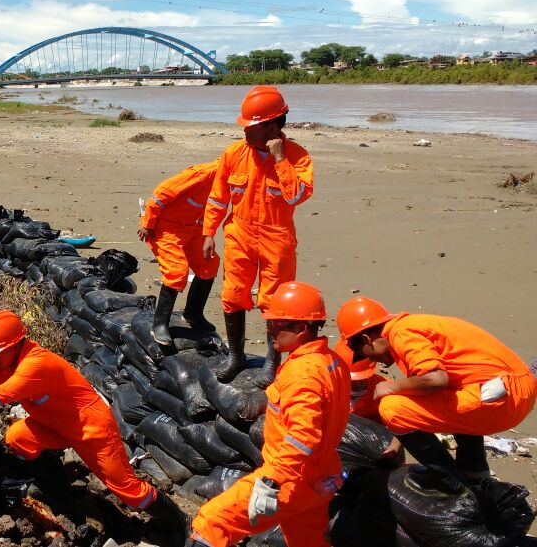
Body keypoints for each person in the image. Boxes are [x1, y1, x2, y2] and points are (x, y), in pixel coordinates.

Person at [0, 309, 188, 542]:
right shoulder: (9, 361)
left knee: (128, 490)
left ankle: (182, 525)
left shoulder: (36, 366)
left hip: (90, 430)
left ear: (14, 345)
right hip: (57, 427)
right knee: (18, 436)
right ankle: (51, 485)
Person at [189, 282, 349, 547]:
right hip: (321, 477)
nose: (269, 329)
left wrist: (270, 481)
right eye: (269, 322)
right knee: (307, 541)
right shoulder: (332, 362)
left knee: (212, 523)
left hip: (291, 481)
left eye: (277, 324)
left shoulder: (304, 375)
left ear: (301, 327)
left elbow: (303, 438)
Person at [336, 296, 537, 491]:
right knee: (450, 394)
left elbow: (436, 380)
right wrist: (394, 451)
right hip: (514, 389)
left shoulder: (401, 334)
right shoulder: (413, 324)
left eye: (361, 353)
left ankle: (449, 480)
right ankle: (474, 471)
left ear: (366, 339)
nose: (373, 361)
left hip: (504, 398)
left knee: (392, 407)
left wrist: (389, 387)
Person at [201, 86, 314, 381]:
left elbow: (296, 196)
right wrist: (208, 231)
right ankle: (236, 356)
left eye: (251, 126)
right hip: (239, 232)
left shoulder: (298, 158)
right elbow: (218, 197)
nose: (245, 132)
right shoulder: (234, 153)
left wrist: (280, 160)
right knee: (232, 294)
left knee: (274, 301)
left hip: (277, 237)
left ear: (272, 127)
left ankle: (271, 363)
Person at [138, 159, 221, 345]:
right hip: (166, 227)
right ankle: (159, 325)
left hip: (192, 227)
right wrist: (147, 224)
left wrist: (208, 234)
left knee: (209, 263)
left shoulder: (233, 180)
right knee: (176, 272)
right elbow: (161, 194)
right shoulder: (203, 174)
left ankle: (193, 314)